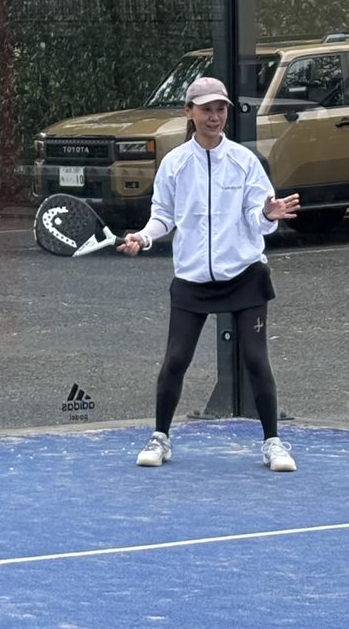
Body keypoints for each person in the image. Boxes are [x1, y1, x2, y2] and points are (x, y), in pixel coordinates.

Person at [117, 76, 301, 472]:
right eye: (206, 110)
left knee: (256, 359)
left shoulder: (245, 161)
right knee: (175, 359)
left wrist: (267, 214)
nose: (214, 117)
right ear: (190, 112)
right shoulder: (174, 164)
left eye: (220, 109)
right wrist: (143, 238)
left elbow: (259, 218)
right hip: (192, 281)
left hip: (246, 275)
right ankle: (160, 437)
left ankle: (273, 442)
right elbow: (163, 217)